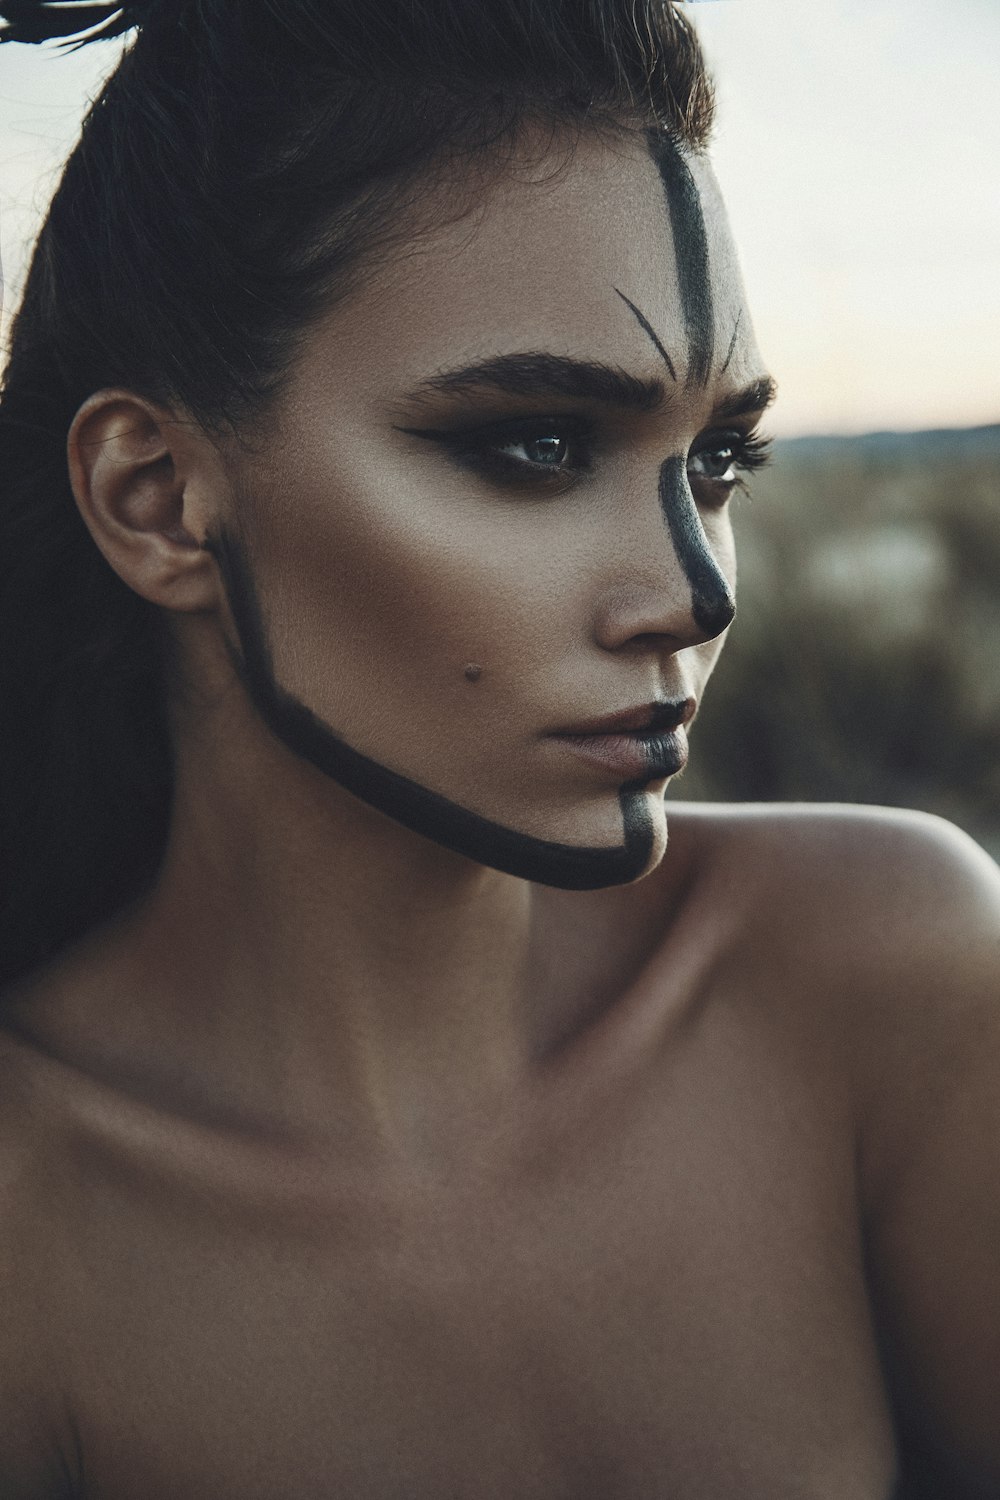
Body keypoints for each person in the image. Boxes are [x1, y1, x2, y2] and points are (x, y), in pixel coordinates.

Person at [0, 1, 997, 1495]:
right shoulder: (35, 1241)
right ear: (155, 498)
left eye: (716, 462)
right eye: (535, 444)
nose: (699, 591)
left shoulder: (876, 978)